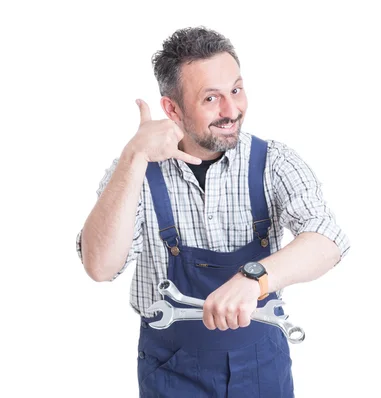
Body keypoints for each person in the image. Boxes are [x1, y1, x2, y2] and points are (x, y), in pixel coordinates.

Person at [75, 26, 350, 397]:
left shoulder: (273, 162)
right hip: (170, 370)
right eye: (211, 98)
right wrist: (133, 158)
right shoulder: (133, 173)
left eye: (236, 90)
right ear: (172, 109)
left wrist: (255, 279)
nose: (231, 110)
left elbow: (327, 239)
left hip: (262, 366)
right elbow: (100, 266)